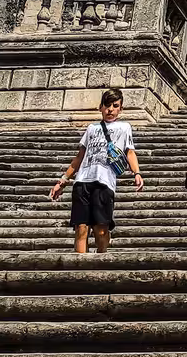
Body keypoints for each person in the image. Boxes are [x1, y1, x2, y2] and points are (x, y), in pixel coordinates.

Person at [49, 87, 141, 254]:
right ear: (100, 107)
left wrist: (137, 173)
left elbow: (130, 152)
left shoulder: (124, 127)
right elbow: (80, 157)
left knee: (101, 230)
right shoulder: (92, 128)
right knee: (81, 229)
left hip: (104, 183)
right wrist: (62, 181)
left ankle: (102, 258)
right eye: (107, 105)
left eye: (115, 106)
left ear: (120, 109)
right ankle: (80, 266)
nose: (110, 109)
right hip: (82, 181)